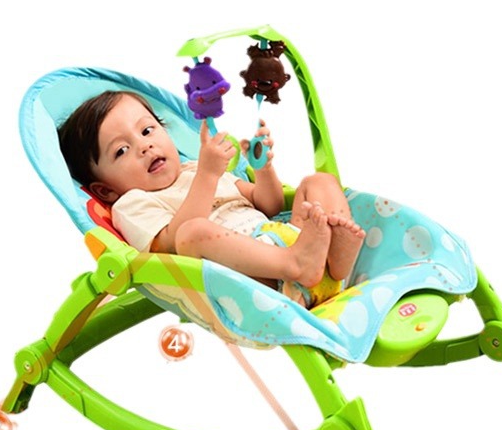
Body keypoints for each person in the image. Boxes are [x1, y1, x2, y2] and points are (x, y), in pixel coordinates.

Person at [58, 90, 365, 307]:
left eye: (148, 130)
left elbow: (268, 206)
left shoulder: (195, 168)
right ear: (105, 191)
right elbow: (172, 247)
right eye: (121, 150)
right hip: (259, 281)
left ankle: (336, 262)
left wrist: (264, 171)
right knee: (191, 233)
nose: (144, 146)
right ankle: (297, 263)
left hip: (297, 246)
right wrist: (208, 175)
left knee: (318, 182)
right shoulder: (132, 204)